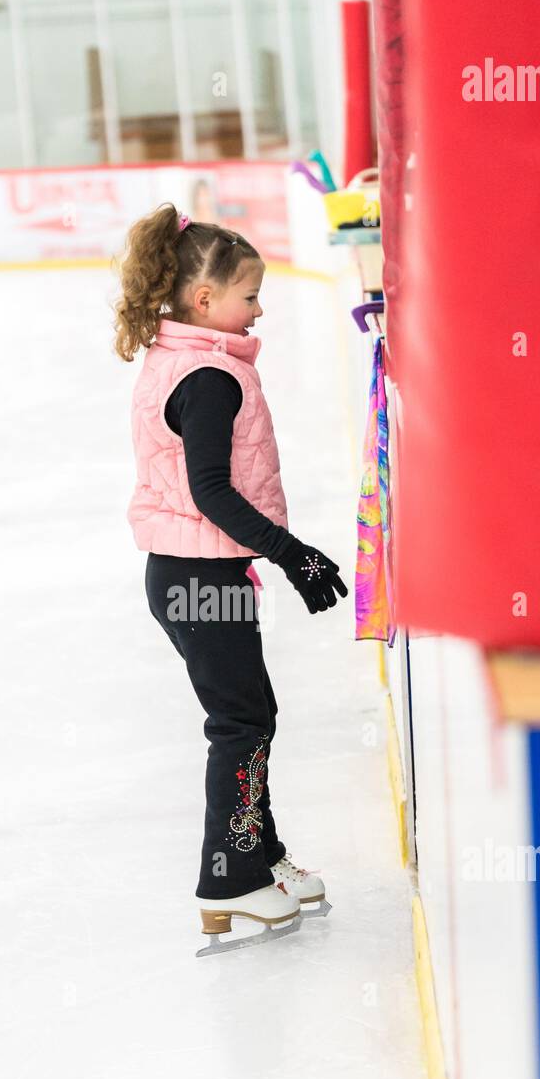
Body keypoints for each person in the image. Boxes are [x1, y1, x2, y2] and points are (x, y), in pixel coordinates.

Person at [113, 202, 347, 954]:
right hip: (199, 576)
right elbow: (213, 490)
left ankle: (260, 856)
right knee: (241, 724)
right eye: (250, 296)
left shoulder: (179, 356)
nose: (260, 309)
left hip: (192, 572)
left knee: (251, 714)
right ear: (204, 301)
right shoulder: (209, 376)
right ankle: (227, 876)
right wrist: (294, 553)